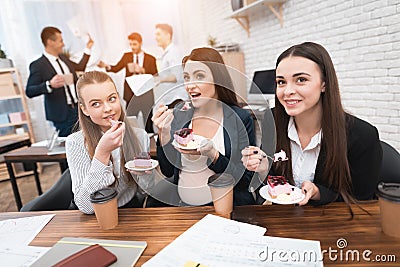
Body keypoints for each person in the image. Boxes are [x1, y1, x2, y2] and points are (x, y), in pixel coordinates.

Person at [241, 42, 382, 207]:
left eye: (301, 80)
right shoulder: (271, 119)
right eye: (281, 82)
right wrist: (263, 168)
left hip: (333, 226)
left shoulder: (362, 135)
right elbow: (274, 183)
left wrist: (319, 193)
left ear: (324, 83)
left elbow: (363, 202)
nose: (287, 91)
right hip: (285, 221)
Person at [152, 47, 256, 206]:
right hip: (184, 206)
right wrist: (163, 134)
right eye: (186, 77)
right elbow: (168, 170)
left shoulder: (240, 119)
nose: (190, 85)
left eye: (199, 76)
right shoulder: (180, 116)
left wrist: (213, 155)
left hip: (226, 207)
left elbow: (246, 179)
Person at [66, 71, 153, 214]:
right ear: (84, 109)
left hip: (129, 211)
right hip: (94, 216)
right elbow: (86, 207)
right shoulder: (75, 143)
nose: (108, 108)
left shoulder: (140, 136)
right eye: (96, 104)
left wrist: (144, 174)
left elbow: (146, 190)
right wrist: (102, 153)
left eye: (112, 99)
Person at [26, 26, 94, 137]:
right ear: (50, 42)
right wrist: (49, 84)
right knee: (69, 146)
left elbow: (80, 67)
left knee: (86, 140)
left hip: (77, 109)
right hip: (62, 114)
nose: (63, 44)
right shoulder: (38, 65)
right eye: (60, 41)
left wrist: (88, 48)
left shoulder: (63, 58)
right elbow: (29, 91)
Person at [97, 32, 157, 107]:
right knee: (130, 117)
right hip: (130, 93)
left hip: (145, 92)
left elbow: (155, 76)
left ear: (141, 43)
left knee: (148, 117)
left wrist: (143, 70)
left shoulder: (151, 59)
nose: (132, 47)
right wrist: (106, 65)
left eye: (134, 44)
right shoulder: (126, 56)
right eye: (130, 44)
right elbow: (116, 68)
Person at [153, 23, 188, 108]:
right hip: (171, 98)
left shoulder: (173, 53)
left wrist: (159, 79)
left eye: (158, 34)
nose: (155, 38)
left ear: (168, 35)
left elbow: (176, 76)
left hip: (177, 98)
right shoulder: (166, 54)